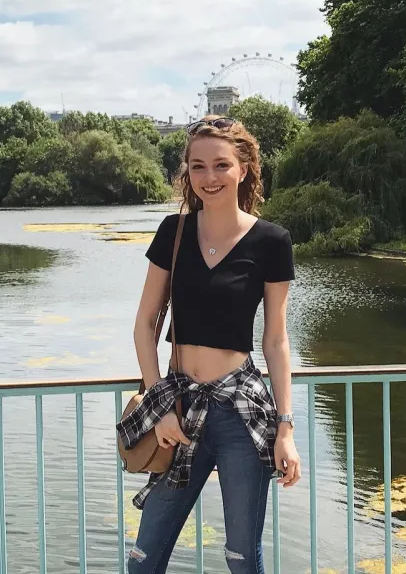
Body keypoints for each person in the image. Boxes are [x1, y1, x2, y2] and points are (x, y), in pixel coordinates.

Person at [117, 115, 301, 573]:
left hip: (241, 412)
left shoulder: (272, 241)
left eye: (221, 165)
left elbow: (275, 341)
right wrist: (160, 405)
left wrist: (286, 427)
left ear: (244, 168)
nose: (209, 177)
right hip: (178, 409)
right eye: (197, 166)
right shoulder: (173, 232)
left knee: (242, 557)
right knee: (144, 558)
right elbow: (144, 324)